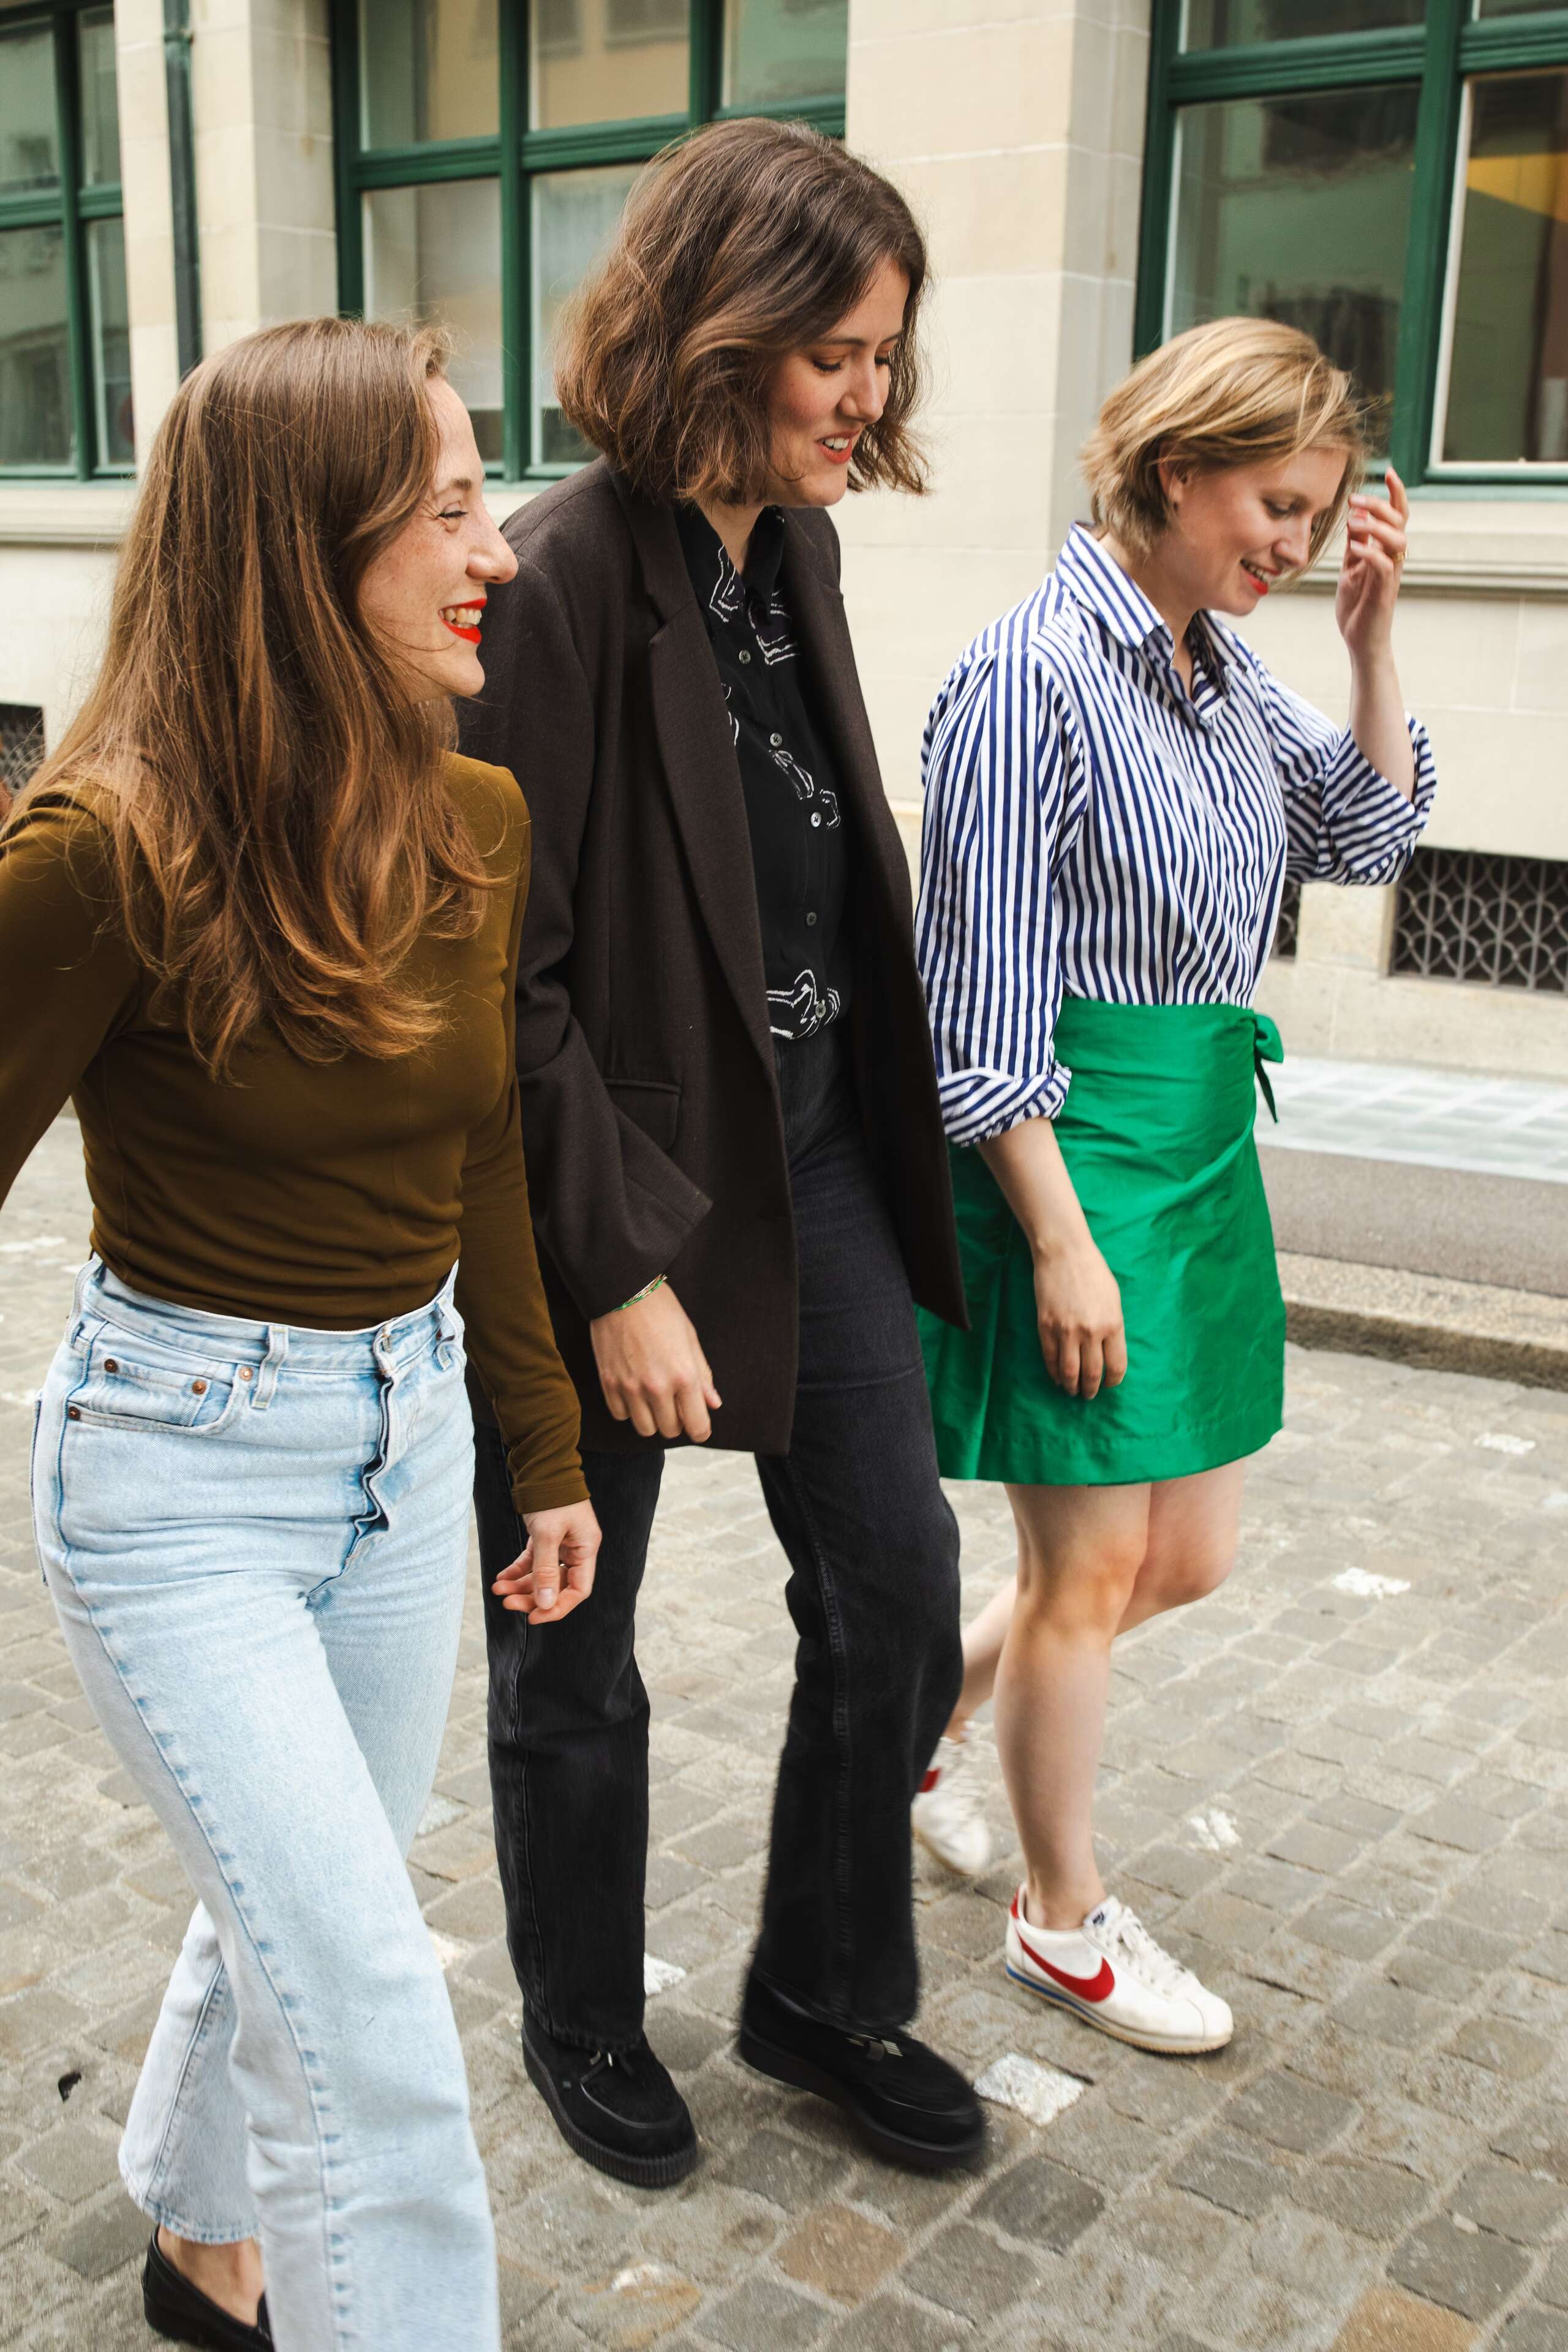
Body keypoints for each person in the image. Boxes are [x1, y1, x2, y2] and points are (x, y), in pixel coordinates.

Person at [1, 318, 600, 2352]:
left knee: (305, 1894)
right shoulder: (103, 853)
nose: (498, 552)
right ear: (296, 547)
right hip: (177, 1476)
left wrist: (538, 1449)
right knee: (366, 2008)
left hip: (405, 1439)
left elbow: (491, 1161)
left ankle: (193, 2225)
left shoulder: (474, 821)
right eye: (445, 508)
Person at [458, 116, 984, 2184]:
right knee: (571, 1644)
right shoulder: (560, 578)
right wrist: (611, 1271)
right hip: (621, 1198)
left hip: (823, 1153)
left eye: (889, 355)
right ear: (723, 330)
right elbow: (512, 985)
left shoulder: (807, 549)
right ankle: (584, 2014)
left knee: (902, 1587)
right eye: (840, 352)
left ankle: (824, 1991)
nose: (874, 396)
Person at [913, 318, 1435, 2052]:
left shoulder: (1223, 665)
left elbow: (1361, 839)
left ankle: (919, 1724)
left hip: (1201, 1140)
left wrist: (1369, 645)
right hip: (1073, 1152)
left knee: (1185, 1554)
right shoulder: (1030, 675)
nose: (1291, 542)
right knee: (1085, 1569)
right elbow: (973, 1006)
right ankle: (1061, 1922)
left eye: (1313, 512)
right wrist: (1057, 1243)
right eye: (1272, 505)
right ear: (1171, 472)